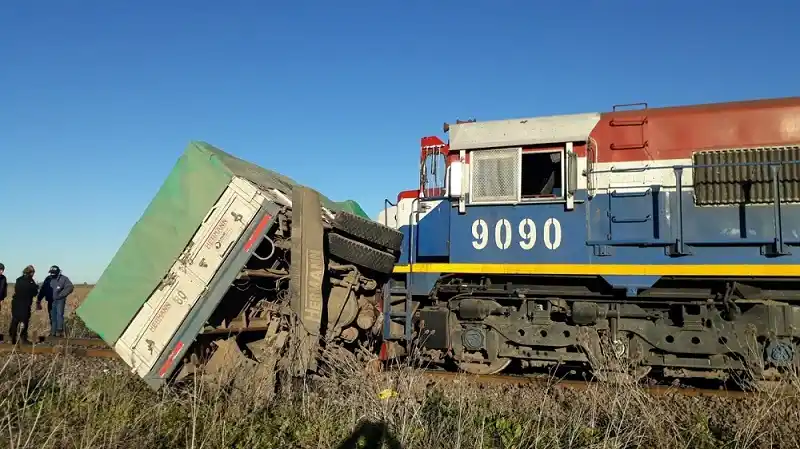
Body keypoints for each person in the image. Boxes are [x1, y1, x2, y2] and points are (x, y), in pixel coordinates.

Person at [36, 265, 73, 337]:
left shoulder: (64, 279)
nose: (52, 274)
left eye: (54, 273)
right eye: (51, 273)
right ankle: (53, 332)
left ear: (58, 272)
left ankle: (59, 331)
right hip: (51, 300)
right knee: (52, 316)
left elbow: (70, 287)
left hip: (60, 301)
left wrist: (61, 295)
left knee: (59, 315)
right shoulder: (48, 279)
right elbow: (43, 290)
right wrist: (39, 299)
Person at [9, 265, 38, 345]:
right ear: (31, 273)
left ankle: (12, 336)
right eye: (33, 273)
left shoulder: (19, 279)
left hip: (16, 302)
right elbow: (34, 292)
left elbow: (17, 289)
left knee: (15, 319)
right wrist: (35, 287)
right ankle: (23, 338)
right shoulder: (30, 281)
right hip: (25, 303)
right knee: (24, 320)